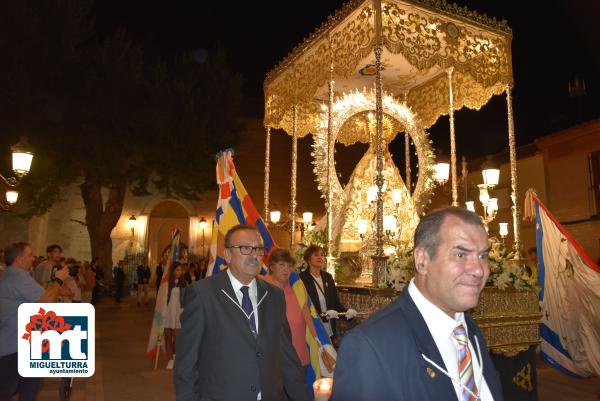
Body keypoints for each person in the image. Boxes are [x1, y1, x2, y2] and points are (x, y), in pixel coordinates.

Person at [331, 207, 504, 401]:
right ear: (422, 260)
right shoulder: (371, 347)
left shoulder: (469, 331)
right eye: (461, 255)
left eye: (483, 256)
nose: (479, 271)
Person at [174, 224, 311, 401]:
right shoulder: (203, 294)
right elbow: (186, 366)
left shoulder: (274, 296)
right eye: (246, 248)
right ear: (228, 255)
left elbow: (287, 357)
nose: (254, 255)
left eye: (259, 249)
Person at [0, 242, 72, 401]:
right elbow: (46, 300)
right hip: (16, 348)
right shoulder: (18, 277)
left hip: (21, 344)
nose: (33, 258)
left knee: (29, 388)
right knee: (12, 390)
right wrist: (58, 280)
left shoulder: (14, 276)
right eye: (30, 255)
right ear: (19, 259)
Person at [263, 249, 310, 371]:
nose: (286, 269)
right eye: (281, 264)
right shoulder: (261, 287)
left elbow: (309, 317)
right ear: (272, 266)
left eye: (289, 266)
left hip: (299, 356)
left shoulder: (297, 288)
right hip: (273, 359)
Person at [300, 245, 357, 344]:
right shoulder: (302, 279)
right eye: (316, 255)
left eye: (322, 255)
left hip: (329, 329)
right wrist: (323, 316)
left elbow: (335, 303)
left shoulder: (328, 277)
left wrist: (347, 314)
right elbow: (303, 306)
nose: (320, 257)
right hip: (312, 329)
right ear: (308, 258)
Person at [164, 262, 187, 370]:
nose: (179, 272)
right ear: (173, 271)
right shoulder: (166, 283)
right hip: (167, 312)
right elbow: (161, 299)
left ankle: (174, 356)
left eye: (180, 270)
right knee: (168, 336)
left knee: (177, 338)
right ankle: (170, 360)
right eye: (177, 270)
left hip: (178, 313)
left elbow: (186, 299)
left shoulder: (184, 283)